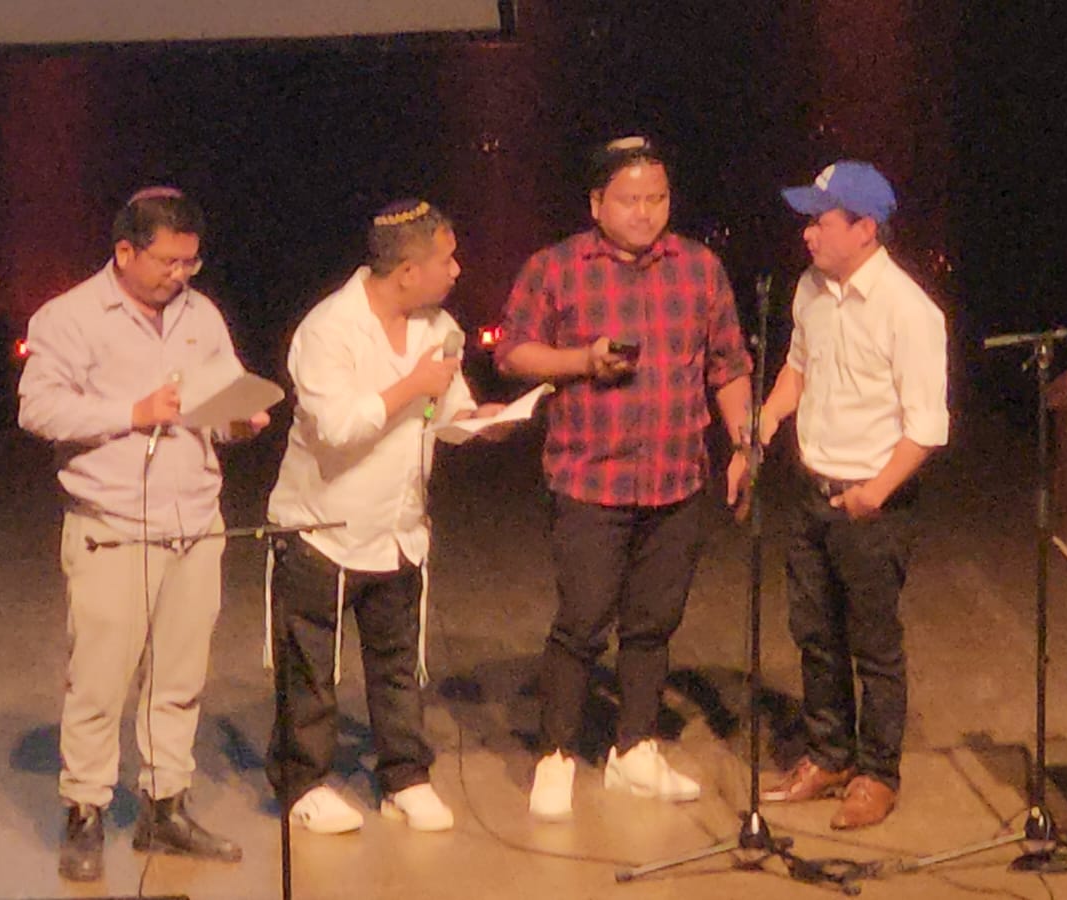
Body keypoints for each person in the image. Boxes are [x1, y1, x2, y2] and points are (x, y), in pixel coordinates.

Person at [496, 136, 752, 822]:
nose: (645, 212)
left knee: (653, 623)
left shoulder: (699, 268)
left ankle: (634, 748)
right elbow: (513, 352)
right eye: (630, 200)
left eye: (657, 198)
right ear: (597, 204)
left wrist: (744, 444)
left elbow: (729, 364)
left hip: (676, 476)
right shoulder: (557, 267)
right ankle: (555, 753)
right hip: (590, 477)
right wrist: (581, 361)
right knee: (582, 621)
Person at [18, 187, 266, 881]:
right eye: (166, 262)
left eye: (190, 262)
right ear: (125, 251)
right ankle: (85, 810)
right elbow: (38, 408)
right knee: (99, 679)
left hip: (195, 520)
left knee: (180, 676)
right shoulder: (69, 316)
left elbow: (221, 398)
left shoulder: (201, 314)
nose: (179, 275)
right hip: (113, 523)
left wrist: (239, 420)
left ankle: (165, 806)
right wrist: (131, 411)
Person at [266, 199, 508, 835]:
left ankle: (405, 777)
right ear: (406, 272)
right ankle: (302, 783)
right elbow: (339, 427)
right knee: (311, 670)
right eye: (446, 259)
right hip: (322, 529)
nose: (456, 270)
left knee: (398, 665)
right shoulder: (329, 329)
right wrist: (414, 385)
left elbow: (444, 412)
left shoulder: (439, 328)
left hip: (399, 528)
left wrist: (480, 422)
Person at [749, 161, 949, 830]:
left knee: (874, 646)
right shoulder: (810, 289)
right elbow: (798, 368)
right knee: (814, 633)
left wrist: (874, 494)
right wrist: (768, 418)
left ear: (865, 229)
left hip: (872, 504)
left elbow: (926, 427)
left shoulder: (909, 311)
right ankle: (829, 754)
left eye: (821, 221)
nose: (808, 234)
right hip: (812, 491)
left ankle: (877, 773)